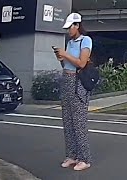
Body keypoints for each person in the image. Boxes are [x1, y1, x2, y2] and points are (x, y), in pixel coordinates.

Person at [54, 12, 93, 171]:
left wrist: (65, 55)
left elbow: (82, 63)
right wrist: (61, 58)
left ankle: (84, 158)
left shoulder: (86, 40)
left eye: (70, 27)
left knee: (78, 122)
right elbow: (68, 65)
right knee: (67, 121)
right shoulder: (70, 42)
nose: (68, 30)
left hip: (78, 83)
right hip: (67, 80)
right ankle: (72, 155)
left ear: (77, 25)